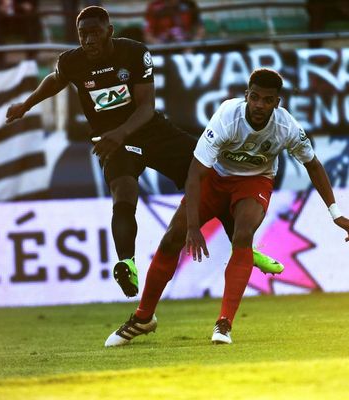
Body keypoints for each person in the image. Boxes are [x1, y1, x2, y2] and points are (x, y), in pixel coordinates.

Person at [5, 6, 283, 300]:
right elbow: (56, 79)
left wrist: (119, 133)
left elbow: (146, 107)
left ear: (109, 31)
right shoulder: (72, 61)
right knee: (123, 192)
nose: (89, 40)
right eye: (83, 34)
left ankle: (244, 248)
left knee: (209, 176)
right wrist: (26, 105)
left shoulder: (135, 54)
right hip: (113, 141)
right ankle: (126, 263)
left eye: (95, 33)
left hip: (150, 131)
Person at [104, 68, 349, 347]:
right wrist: (194, 227)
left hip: (254, 182)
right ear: (247, 95)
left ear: (277, 103)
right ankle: (143, 317)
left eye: (267, 100)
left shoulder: (287, 128)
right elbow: (195, 173)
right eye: (254, 97)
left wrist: (335, 213)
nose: (259, 105)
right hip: (214, 178)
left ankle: (224, 324)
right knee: (173, 237)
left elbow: (313, 165)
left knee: (243, 234)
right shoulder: (227, 116)